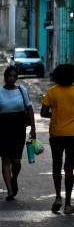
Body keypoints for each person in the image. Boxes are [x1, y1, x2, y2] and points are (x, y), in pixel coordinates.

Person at [41, 63, 74, 215]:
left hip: (57, 134)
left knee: (56, 166)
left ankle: (58, 197)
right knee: (69, 168)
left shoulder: (52, 92)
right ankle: (68, 204)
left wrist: (56, 115)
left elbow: (43, 113)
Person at [0, 65, 35, 201]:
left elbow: (30, 109)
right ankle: (9, 191)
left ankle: (14, 178)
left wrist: (33, 128)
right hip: (3, 129)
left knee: (16, 161)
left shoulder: (22, 90)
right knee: (5, 159)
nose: (12, 79)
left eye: (15, 76)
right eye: (10, 76)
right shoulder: (0, 92)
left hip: (18, 128)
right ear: (5, 77)